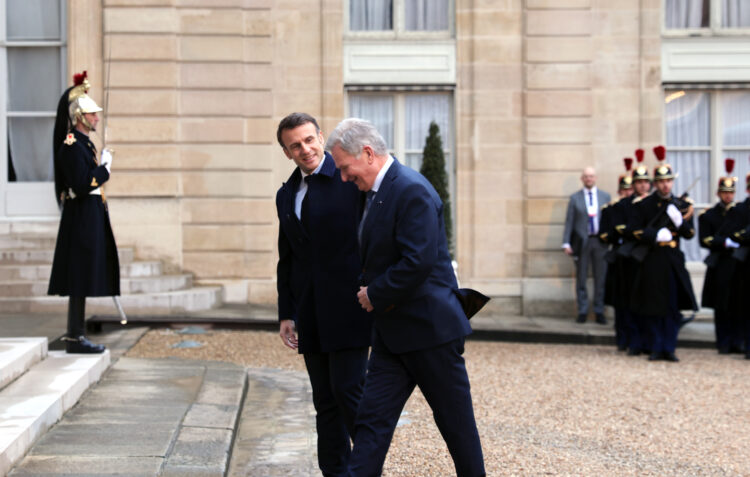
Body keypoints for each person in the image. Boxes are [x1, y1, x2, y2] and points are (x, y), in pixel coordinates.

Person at [326, 118, 485, 477]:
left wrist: (374, 294)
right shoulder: (373, 192)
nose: (344, 177)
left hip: (431, 332)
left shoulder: (412, 189)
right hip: (391, 336)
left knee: (456, 426)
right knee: (370, 424)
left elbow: (418, 260)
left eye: (346, 167)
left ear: (367, 153)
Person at [274, 112, 372, 476]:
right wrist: (287, 312)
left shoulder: (350, 182)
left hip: (349, 308)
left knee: (349, 393)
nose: (305, 149)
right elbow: (288, 259)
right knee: (324, 401)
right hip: (310, 312)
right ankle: (335, 472)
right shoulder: (287, 194)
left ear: (320, 137)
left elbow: (372, 238)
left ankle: (366, 468)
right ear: (286, 152)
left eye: (309, 140)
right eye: (295, 145)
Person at [48, 71, 118, 354]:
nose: (97, 118)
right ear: (80, 116)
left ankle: (76, 335)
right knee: (79, 275)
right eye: (92, 115)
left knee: (84, 274)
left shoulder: (83, 144)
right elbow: (80, 182)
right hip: (80, 217)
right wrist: (104, 170)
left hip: (89, 214)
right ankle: (75, 336)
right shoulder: (71, 145)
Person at [628, 146, 698, 362]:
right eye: (661, 181)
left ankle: (670, 346)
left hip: (673, 260)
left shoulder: (682, 205)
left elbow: (690, 234)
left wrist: (678, 221)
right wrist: (655, 235)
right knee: (653, 305)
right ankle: (657, 346)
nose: (665, 184)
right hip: (653, 259)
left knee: (673, 306)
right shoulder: (645, 204)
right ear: (655, 183)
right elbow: (634, 230)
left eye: (668, 181)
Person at [699, 160, 742, 354]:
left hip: (736, 263)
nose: (728, 195)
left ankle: (736, 340)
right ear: (718, 193)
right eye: (725, 192)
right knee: (720, 305)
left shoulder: (740, 213)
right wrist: (724, 242)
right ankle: (723, 342)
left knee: (737, 304)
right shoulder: (709, 215)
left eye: (731, 192)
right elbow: (705, 240)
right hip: (719, 263)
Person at [562, 167, 611, 324]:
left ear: (595, 178)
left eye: (591, 176)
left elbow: (610, 219)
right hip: (582, 241)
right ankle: (582, 310)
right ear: (582, 179)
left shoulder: (605, 196)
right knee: (581, 277)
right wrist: (566, 242)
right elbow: (569, 221)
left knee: (600, 278)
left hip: (600, 241)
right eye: (586, 176)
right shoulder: (575, 198)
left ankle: (599, 311)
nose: (589, 179)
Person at [598, 158, 634, 351]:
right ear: (620, 190)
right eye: (625, 189)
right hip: (618, 257)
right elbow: (603, 234)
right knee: (620, 301)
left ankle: (635, 337)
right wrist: (616, 232)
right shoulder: (611, 209)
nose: (627, 193)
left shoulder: (637, 208)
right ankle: (622, 337)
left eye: (630, 189)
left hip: (635, 257)